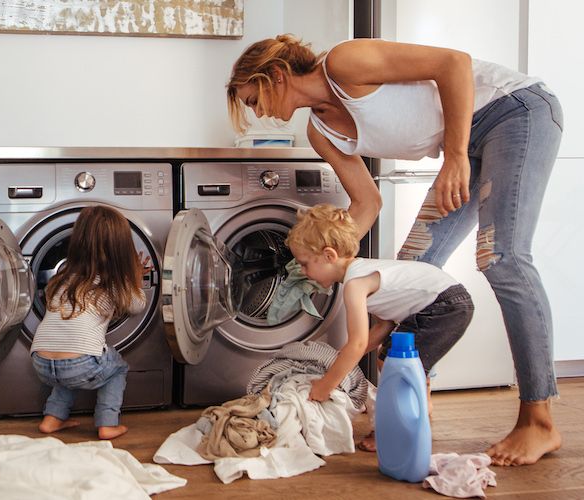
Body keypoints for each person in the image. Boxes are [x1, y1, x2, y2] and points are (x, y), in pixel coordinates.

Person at [226, 34, 563, 466]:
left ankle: (539, 419)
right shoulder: (320, 132)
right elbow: (367, 204)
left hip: (514, 112)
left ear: (276, 75)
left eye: (254, 100)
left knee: (502, 258)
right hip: (469, 143)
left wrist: (456, 156)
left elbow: (454, 63)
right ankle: (412, 405)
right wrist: (317, 258)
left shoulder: (345, 63)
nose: (258, 113)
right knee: (407, 275)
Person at [288, 204, 473, 450]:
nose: (302, 271)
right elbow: (383, 327)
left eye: (304, 264)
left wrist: (326, 385)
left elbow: (358, 343)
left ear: (329, 256)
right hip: (447, 301)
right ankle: (417, 412)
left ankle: (394, 430)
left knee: (393, 362)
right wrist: (339, 361)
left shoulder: (355, 285)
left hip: (443, 305)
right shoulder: (362, 271)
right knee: (392, 357)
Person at [29, 205, 149, 440]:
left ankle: (52, 418)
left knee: (68, 357)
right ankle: (107, 423)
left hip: (40, 362)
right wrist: (135, 278)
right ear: (121, 249)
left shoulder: (63, 278)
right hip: (80, 365)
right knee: (117, 368)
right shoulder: (114, 282)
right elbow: (138, 305)